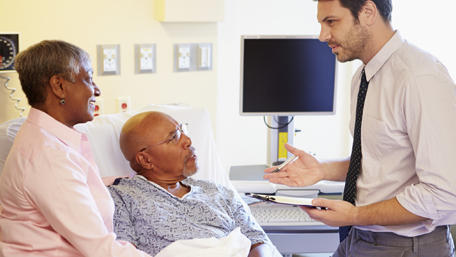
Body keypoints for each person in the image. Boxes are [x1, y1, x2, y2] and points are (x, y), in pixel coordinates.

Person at [264, 0, 456, 256]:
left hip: (405, 246)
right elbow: (378, 159)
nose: (323, 36)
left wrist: (356, 214)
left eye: (331, 21)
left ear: (367, 12)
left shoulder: (419, 77)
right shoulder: (363, 77)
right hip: (359, 236)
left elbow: (445, 192)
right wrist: (323, 169)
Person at [0, 40, 151, 256]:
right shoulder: (48, 157)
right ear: (59, 86)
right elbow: (101, 250)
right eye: (89, 79)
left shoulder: (45, 139)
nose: (97, 90)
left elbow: (70, 187)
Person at [108, 111, 272, 257]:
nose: (188, 140)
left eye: (182, 130)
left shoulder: (218, 191)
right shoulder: (121, 197)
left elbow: (258, 241)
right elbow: (123, 251)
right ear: (145, 159)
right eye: (174, 137)